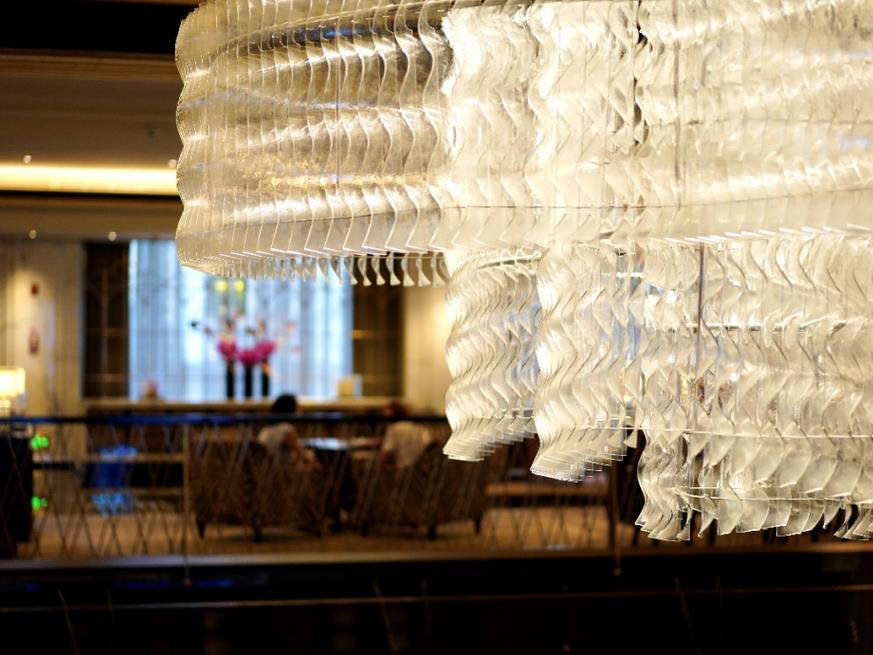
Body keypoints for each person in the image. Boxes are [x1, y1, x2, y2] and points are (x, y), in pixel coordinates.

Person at [256, 394, 319, 469]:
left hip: (264, 468)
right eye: (297, 406)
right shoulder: (285, 429)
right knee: (310, 458)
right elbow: (301, 452)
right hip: (276, 470)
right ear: (290, 408)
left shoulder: (267, 429)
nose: (300, 410)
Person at [379, 401, 434, 468]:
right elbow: (428, 444)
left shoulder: (394, 428)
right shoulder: (417, 427)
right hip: (418, 469)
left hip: (401, 469)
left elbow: (386, 454)